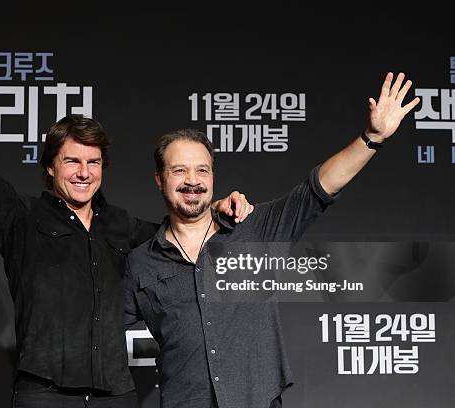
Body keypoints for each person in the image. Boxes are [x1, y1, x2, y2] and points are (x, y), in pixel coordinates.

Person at [0, 36, 253, 408]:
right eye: (72, 162)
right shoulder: (22, 218)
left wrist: (218, 207)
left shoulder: (122, 226)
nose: (84, 173)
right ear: (50, 167)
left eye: (93, 163)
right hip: (44, 394)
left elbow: (184, 233)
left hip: (115, 395)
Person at [123, 73, 420, 408]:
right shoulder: (140, 264)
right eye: (179, 171)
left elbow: (317, 190)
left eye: (202, 170)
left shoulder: (255, 229)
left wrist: (372, 137)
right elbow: (98, 329)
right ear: (160, 180)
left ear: (213, 177)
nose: (192, 181)